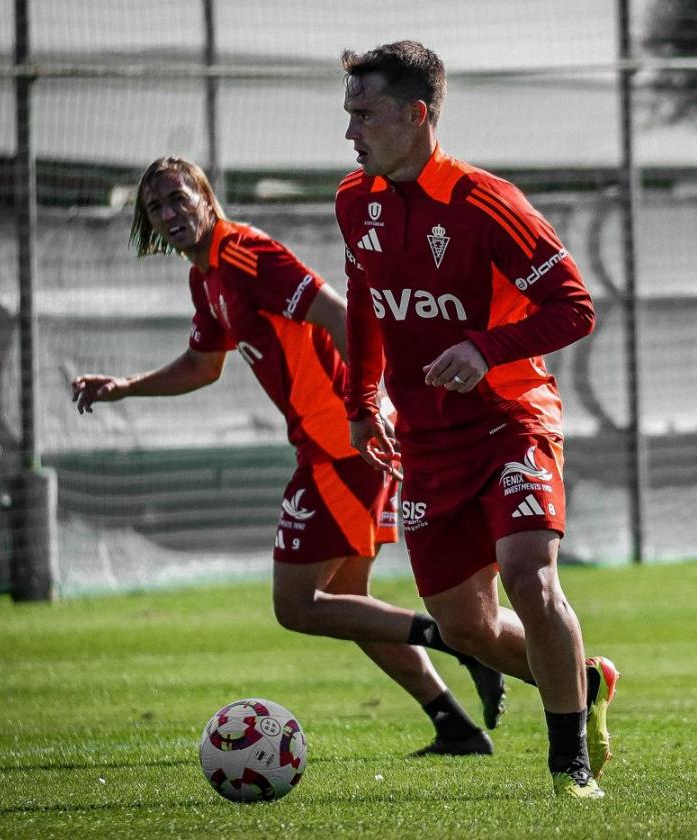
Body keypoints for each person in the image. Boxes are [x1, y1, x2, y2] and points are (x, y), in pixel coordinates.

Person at [71, 156, 505, 755]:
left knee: (297, 606)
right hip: (331, 445)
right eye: (155, 207)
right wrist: (125, 386)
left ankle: (456, 641)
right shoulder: (207, 277)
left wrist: (367, 405)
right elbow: (203, 366)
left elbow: (342, 315)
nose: (170, 213)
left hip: (341, 445)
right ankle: (453, 725)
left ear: (206, 197)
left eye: (178, 198)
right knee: (350, 604)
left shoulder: (247, 252)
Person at [335, 41, 617, 799]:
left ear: (415, 113)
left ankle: (571, 768)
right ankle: (583, 681)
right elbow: (364, 302)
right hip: (428, 443)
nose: (351, 131)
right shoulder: (352, 201)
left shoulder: (486, 203)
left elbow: (575, 308)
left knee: (530, 576)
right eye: (348, 114)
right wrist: (364, 404)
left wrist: (485, 349)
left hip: (512, 423)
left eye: (364, 114)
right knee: (465, 627)